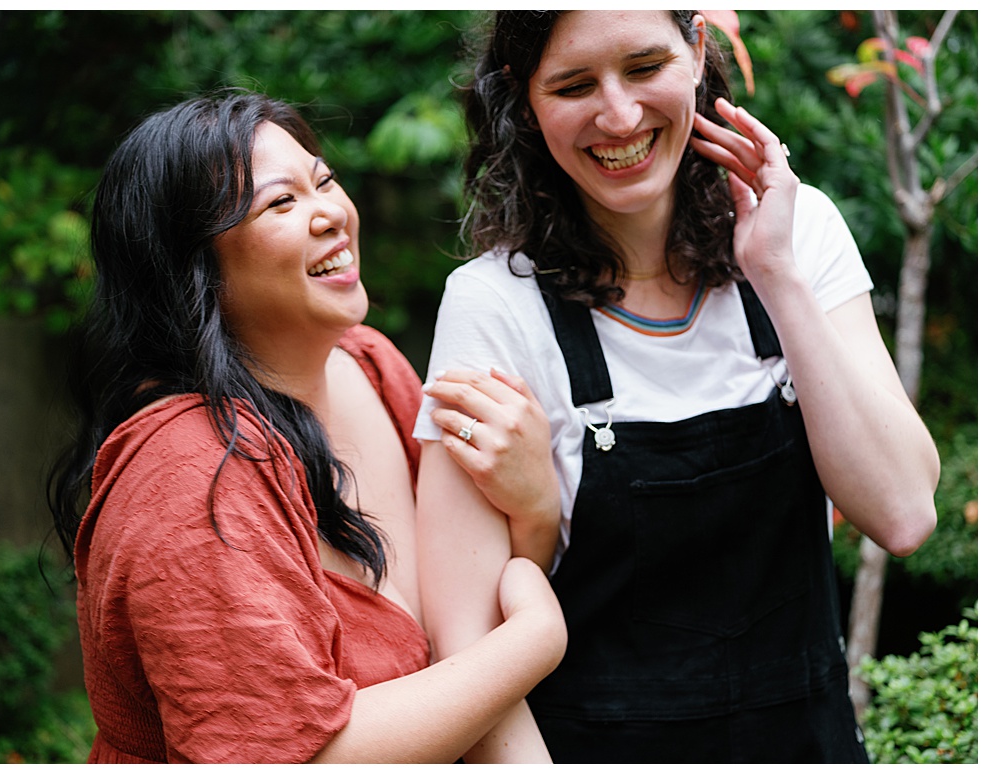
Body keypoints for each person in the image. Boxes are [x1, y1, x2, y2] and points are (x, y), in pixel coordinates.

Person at [414, 10, 939, 763]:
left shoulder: (800, 231)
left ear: (697, 51)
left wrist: (779, 277)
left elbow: (903, 513)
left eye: (642, 66)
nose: (619, 115)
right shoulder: (493, 305)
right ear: (522, 97)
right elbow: (465, 652)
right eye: (571, 84)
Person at [49, 90, 569, 764]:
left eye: (323, 181)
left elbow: (460, 596)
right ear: (193, 268)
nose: (330, 214)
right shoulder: (191, 476)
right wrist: (534, 642)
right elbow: (296, 757)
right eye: (280, 203)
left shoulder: (370, 363)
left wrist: (534, 511)